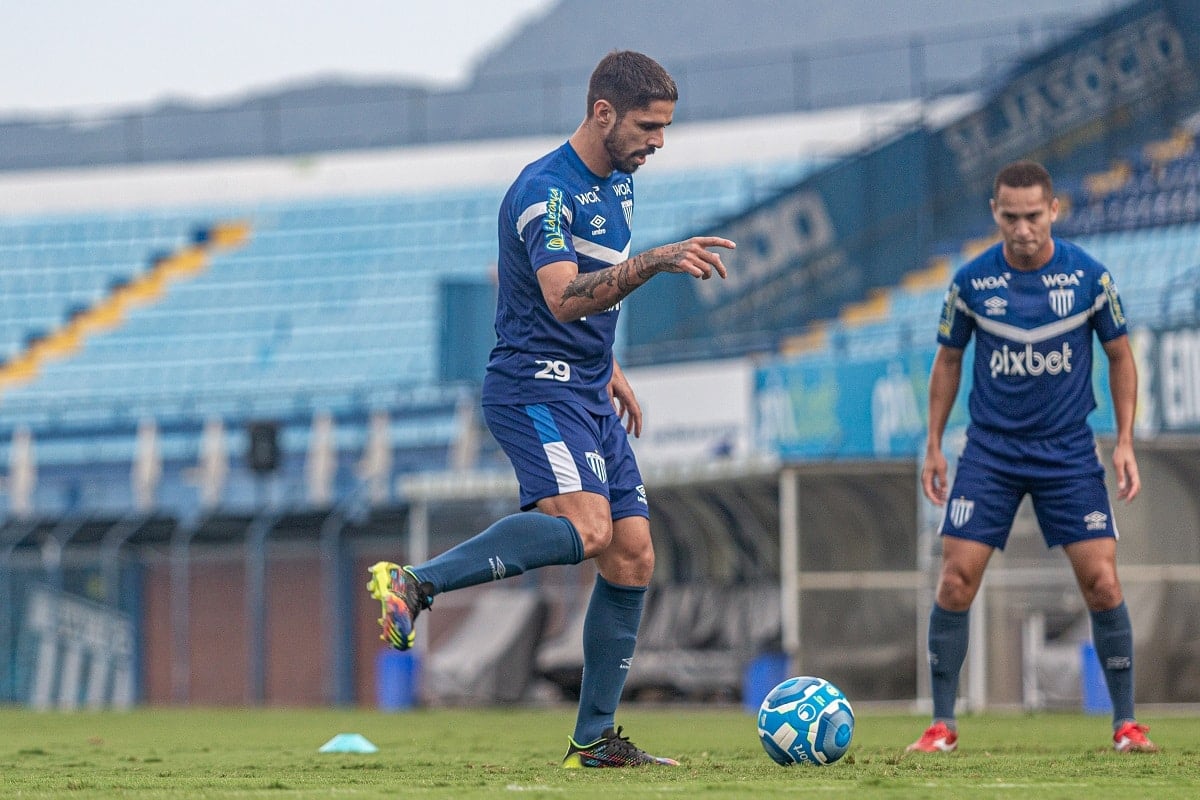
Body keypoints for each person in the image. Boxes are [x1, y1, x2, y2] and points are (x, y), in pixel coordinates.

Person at [367, 50, 735, 768]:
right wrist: (657, 261)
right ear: (603, 113)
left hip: (587, 389)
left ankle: (594, 741)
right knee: (590, 528)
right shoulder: (545, 193)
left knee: (632, 556)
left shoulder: (619, 186)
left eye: (665, 127)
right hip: (535, 386)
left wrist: (613, 367)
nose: (659, 141)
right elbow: (565, 297)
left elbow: (588, 293)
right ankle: (415, 583)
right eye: (649, 126)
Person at [909, 159, 1158, 755]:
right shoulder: (970, 283)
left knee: (1101, 581)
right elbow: (947, 363)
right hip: (990, 451)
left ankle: (1125, 725)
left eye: (1033, 216)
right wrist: (935, 445)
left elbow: (1121, 356)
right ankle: (943, 724)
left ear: (1053, 211)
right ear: (996, 214)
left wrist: (1124, 440)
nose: (1022, 229)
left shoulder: (1089, 278)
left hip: (1068, 451)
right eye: (1011, 217)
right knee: (955, 579)